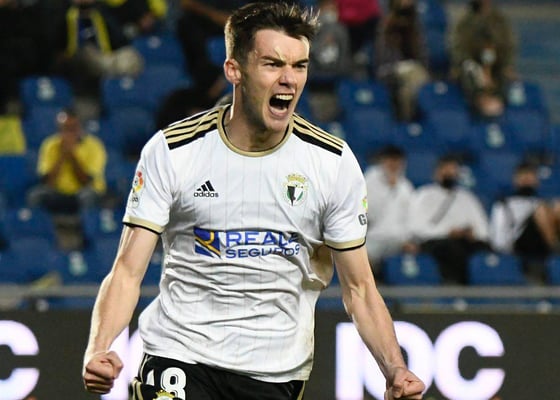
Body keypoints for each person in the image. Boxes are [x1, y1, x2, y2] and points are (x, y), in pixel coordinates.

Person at [82, 3, 425, 400]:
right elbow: (127, 270)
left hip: (274, 371)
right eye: (272, 64)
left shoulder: (331, 163)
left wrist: (395, 368)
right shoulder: (174, 151)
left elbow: (360, 289)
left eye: (299, 66)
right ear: (234, 70)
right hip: (179, 354)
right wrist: (99, 348)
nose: (289, 79)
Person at [408, 154, 490, 283]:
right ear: (436, 172)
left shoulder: (467, 197)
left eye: (453, 170)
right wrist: (448, 232)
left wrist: (473, 233)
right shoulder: (424, 195)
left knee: (484, 249)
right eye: (446, 169)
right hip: (436, 241)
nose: (450, 173)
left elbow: (482, 226)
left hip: (464, 241)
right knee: (451, 249)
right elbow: (418, 227)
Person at [27, 108, 107, 214]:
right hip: (58, 192)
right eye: (65, 128)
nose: (69, 133)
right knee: (36, 195)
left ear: (80, 128)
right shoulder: (50, 145)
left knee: (87, 196)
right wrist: (62, 155)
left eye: (72, 128)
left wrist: (72, 156)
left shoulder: (94, 146)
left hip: (83, 191)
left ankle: (87, 223)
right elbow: (48, 182)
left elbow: (86, 182)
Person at [449, 0, 517, 118]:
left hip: (496, 63)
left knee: (503, 74)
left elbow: (508, 46)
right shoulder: (465, 21)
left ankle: (498, 100)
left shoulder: (500, 21)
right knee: (469, 71)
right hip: (472, 63)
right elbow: (459, 49)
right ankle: (480, 101)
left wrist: (507, 65)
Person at [489, 161, 560, 274]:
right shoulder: (504, 203)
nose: (527, 179)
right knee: (542, 210)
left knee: (557, 206)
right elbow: (498, 237)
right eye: (523, 175)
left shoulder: (539, 202)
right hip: (519, 244)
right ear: (515, 180)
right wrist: (506, 251)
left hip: (541, 242)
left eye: (530, 175)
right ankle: (555, 250)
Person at [364, 145, 417, 275]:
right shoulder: (369, 181)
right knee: (361, 258)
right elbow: (368, 212)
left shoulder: (406, 187)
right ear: (383, 161)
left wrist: (408, 239)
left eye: (397, 161)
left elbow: (410, 217)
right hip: (373, 236)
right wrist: (389, 189)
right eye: (390, 160)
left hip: (398, 240)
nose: (394, 165)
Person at [373, 0, 430, 121]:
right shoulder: (385, 28)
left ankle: (414, 121)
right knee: (412, 79)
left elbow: (423, 59)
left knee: (410, 86)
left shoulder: (415, 29)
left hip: (412, 75)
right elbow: (382, 61)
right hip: (389, 71)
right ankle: (408, 119)